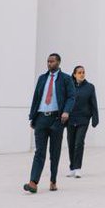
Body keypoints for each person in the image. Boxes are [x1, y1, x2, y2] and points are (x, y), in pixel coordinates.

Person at [24, 52, 75, 194]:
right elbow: (36, 98)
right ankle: (33, 182)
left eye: (52, 61)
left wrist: (66, 111)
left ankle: (53, 180)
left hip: (57, 119)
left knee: (54, 152)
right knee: (39, 152)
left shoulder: (65, 79)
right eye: (48, 61)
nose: (49, 63)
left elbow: (71, 97)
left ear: (58, 62)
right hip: (41, 119)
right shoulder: (42, 79)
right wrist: (32, 117)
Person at [65, 65, 99, 179]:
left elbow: (94, 103)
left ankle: (78, 168)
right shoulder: (69, 86)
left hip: (83, 119)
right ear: (74, 74)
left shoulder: (90, 87)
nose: (82, 74)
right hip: (71, 119)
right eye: (79, 72)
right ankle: (72, 168)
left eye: (83, 72)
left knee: (79, 143)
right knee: (71, 143)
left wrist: (95, 118)